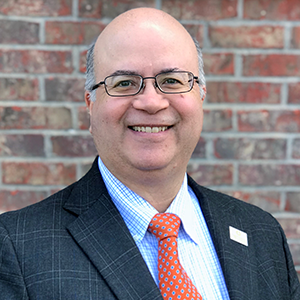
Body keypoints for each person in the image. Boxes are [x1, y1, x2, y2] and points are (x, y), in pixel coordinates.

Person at [0, 7, 299, 300]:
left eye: (171, 81)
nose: (151, 102)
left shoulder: (262, 234)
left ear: (201, 95)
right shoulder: (18, 247)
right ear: (90, 105)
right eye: (125, 83)